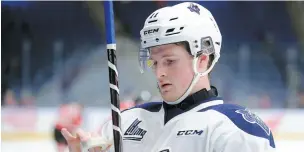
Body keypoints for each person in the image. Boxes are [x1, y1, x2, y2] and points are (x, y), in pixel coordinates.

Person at [61, 2, 276, 152]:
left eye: (170, 61)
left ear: (202, 59)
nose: (159, 72)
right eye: (154, 62)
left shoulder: (236, 129)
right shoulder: (125, 123)